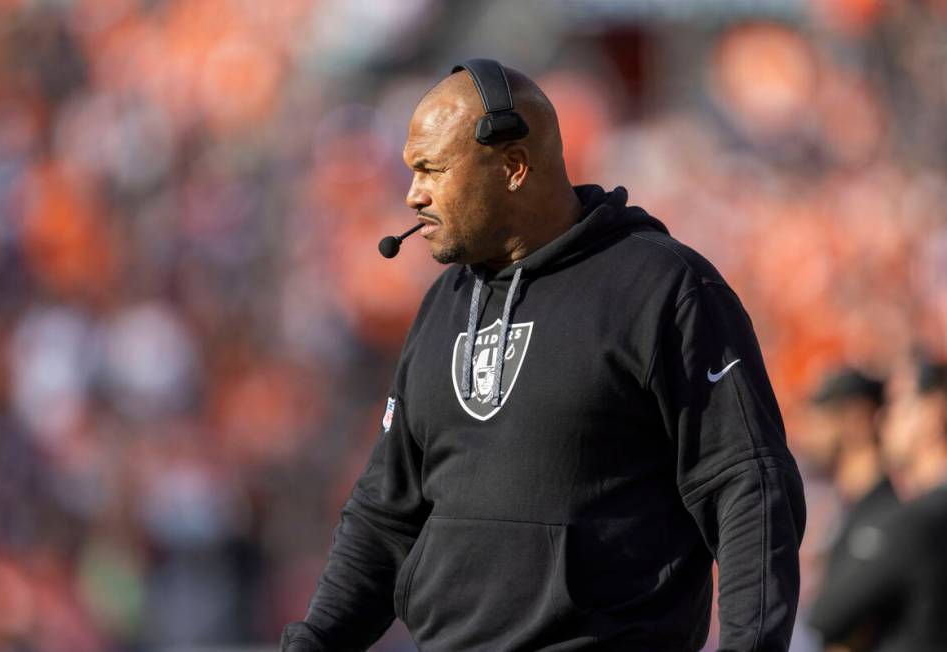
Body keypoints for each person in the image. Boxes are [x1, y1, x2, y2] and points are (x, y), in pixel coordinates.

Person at [280, 60, 806, 652]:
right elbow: (385, 514)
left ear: (513, 166)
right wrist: (315, 642)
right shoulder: (442, 306)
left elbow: (748, 488)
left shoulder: (662, 288)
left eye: (432, 169)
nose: (412, 195)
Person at [808, 361, 947, 651]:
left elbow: (826, 616)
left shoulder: (914, 518)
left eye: (897, 403)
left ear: (933, 412)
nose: (884, 417)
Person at [803, 368, 899, 585]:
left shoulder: (884, 511)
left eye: (819, 419)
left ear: (857, 418)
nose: (807, 434)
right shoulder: (842, 503)